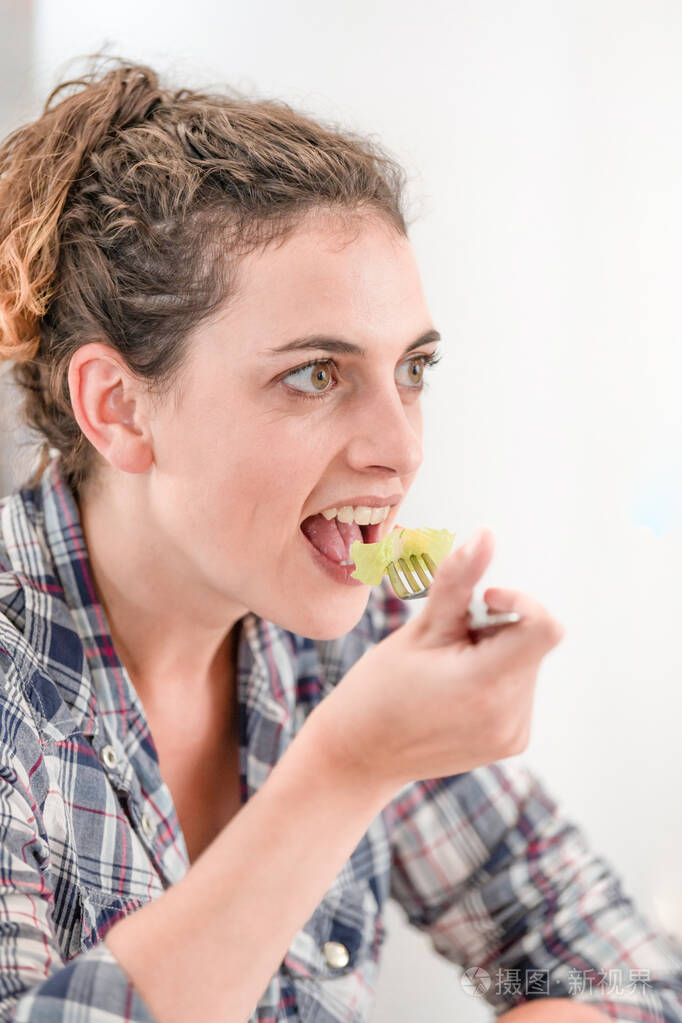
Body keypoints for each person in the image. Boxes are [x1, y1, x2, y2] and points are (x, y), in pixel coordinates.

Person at [0, 56, 679, 1023]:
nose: (401, 449)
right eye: (316, 374)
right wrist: (343, 771)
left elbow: (626, 971)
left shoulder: (359, 639)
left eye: (413, 370)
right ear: (118, 408)